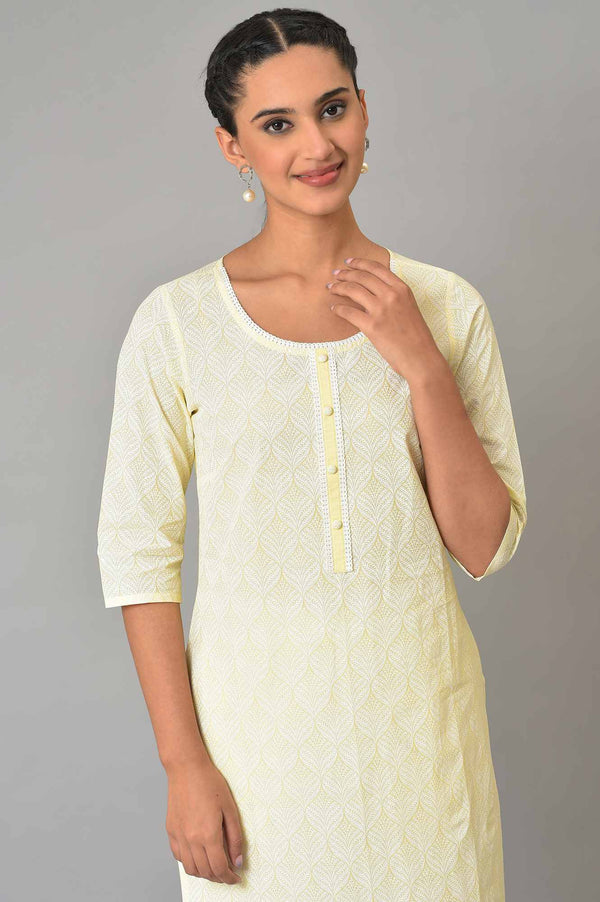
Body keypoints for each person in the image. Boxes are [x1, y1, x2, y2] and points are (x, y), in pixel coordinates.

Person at [96, 8, 527, 901]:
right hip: (256, 756)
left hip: (424, 746)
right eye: (277, 124)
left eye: (333, 108)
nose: (317, 145)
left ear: (365, 108)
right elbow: (139, 554)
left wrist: (421, 365)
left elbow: (485, 545)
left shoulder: (446, 306)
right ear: (233, 147)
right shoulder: (178, 323)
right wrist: (184, 765)